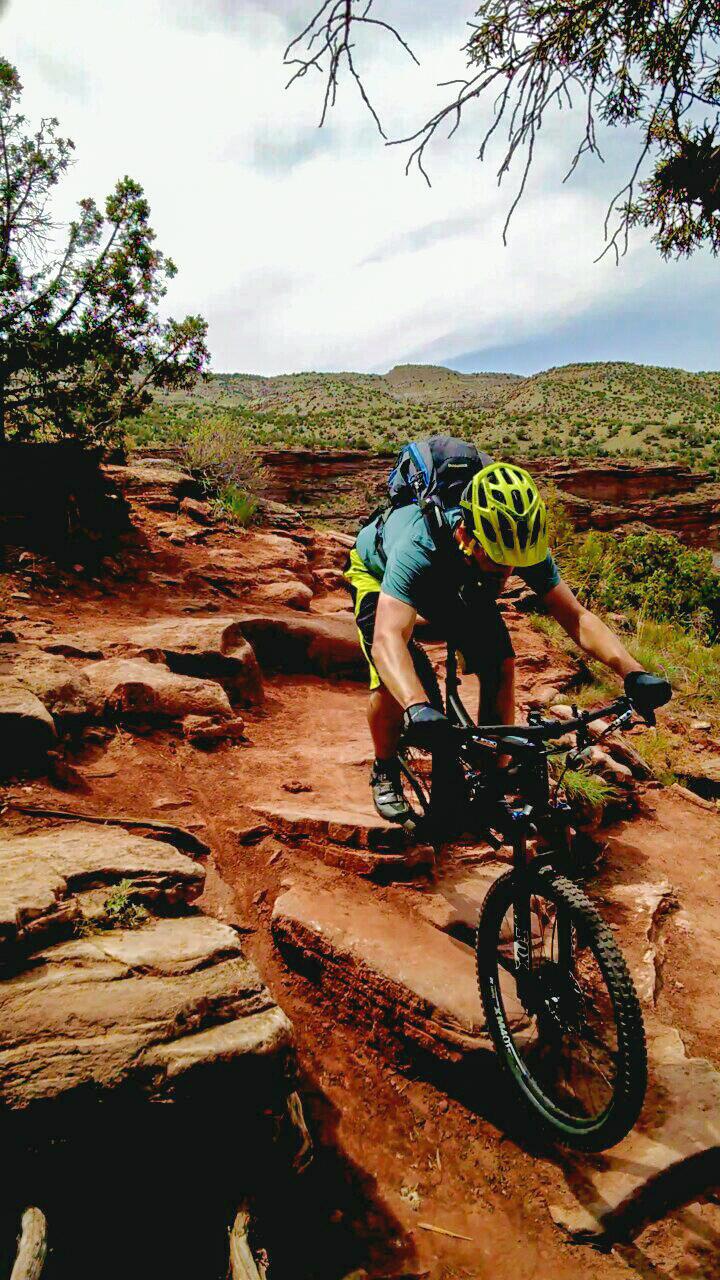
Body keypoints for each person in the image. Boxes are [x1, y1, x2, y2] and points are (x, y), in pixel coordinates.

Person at [344, 457, 672, 824]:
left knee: (500, 663)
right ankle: (385, 768)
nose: (510, 573)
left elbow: (575, 616)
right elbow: (389, 637)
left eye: (516, 563)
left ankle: (491, 779)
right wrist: (416, 705)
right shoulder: (419, 544)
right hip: (378, 572)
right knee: (391, 682)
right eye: (500, 561)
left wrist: (633, 673)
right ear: (468, 536)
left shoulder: (518, 543)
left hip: (462, 578)